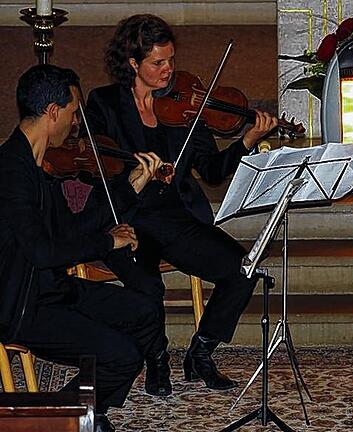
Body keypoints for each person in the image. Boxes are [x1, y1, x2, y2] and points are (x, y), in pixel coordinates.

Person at [83, 14, 278, 396]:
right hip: (129, 217)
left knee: (242, 270)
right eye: (158, 63)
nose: (168, 70)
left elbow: (212, 170)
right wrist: (137, 172)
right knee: (148, 286)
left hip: (176, 217)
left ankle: (201, 353)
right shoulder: (103, 103)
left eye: (171, 60)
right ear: (132, 63)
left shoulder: (187, 105)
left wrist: (247, 140)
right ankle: (156, 359)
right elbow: (96, 164)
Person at [0, 64, 166, 432]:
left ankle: (81, 410)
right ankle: (57, 418)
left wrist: (129, 188)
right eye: (74, 113)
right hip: (20, 307)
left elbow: (71, 230)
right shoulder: (10, 171)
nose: (77, 123)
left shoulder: (36, 166)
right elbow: (43, 252)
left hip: (51, 289)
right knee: (121, 357)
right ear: (53, 112)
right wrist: (110, 240)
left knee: (144, 311)